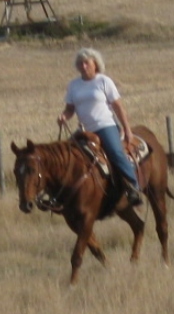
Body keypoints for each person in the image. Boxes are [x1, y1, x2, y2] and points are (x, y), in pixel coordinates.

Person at [57, 47, 143, 206]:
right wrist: (64, 116)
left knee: (115, 152)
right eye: (80, 64)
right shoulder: (73, 85)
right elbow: (70, 109)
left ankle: (133, 187)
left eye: (87, 63)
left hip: (105, 125)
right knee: (66, 153)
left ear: (95, 64)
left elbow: (118, 106)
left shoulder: (104, 81)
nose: (83, 66)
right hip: (85, 129)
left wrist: (127, 129)